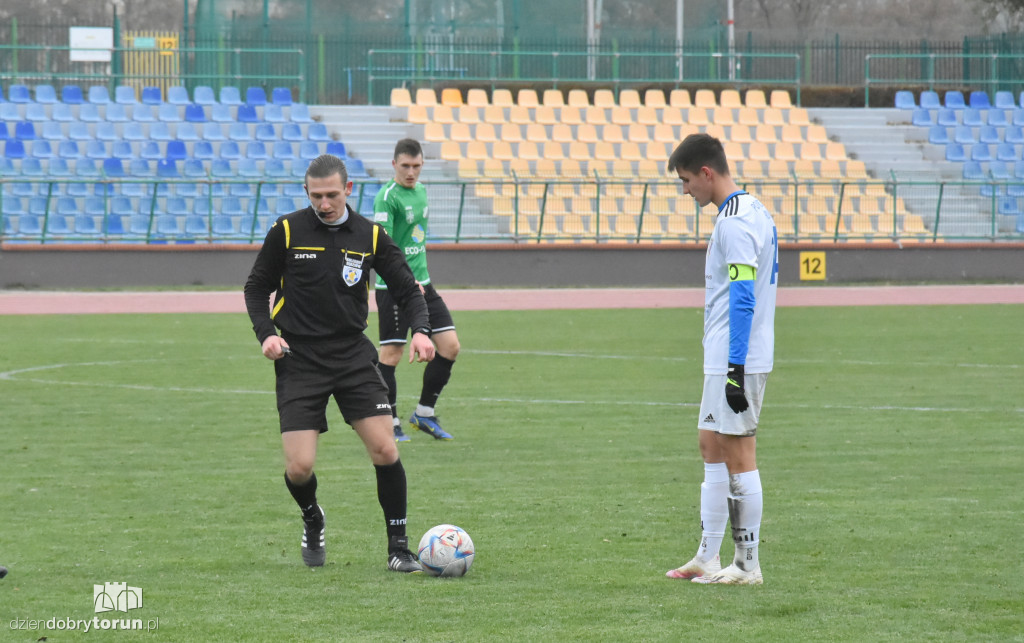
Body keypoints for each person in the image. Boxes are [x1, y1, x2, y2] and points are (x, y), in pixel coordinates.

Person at [244, 153, 436, 573]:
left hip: (351, 354)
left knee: (385, 449)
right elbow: (256, 287)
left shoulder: (370, 235)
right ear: (306, 192)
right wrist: (267, 335)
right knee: (299, 467)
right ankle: (313, 517)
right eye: (316, 195)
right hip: (299, 358)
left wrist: (420, 330)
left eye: (332, 194)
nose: (324, 203)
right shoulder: (288, 230)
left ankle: (398, 549)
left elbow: (407, 289)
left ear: (348, 190)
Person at [664, 133, 778, 585]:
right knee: (711, 445)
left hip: (739, 357)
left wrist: (734, 369)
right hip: (727, 355)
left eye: (688, 180)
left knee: (738, 453)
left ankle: (748, 564)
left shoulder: (734, 223)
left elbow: (744, 297)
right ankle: (708, 555)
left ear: (707, 173)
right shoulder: (751, 210)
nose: (686, 189)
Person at [373, 138, 461, 442]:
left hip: (423, 285)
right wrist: (405, 280)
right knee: (392, 354)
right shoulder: (386, 197)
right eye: (406, 166)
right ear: (394, 164)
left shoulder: (422, 191)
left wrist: (418, 280)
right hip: (394, 287)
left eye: (417, 166)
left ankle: (423, 414)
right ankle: (389, 420)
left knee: (449, 347)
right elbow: (382, 247)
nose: (411, 172)